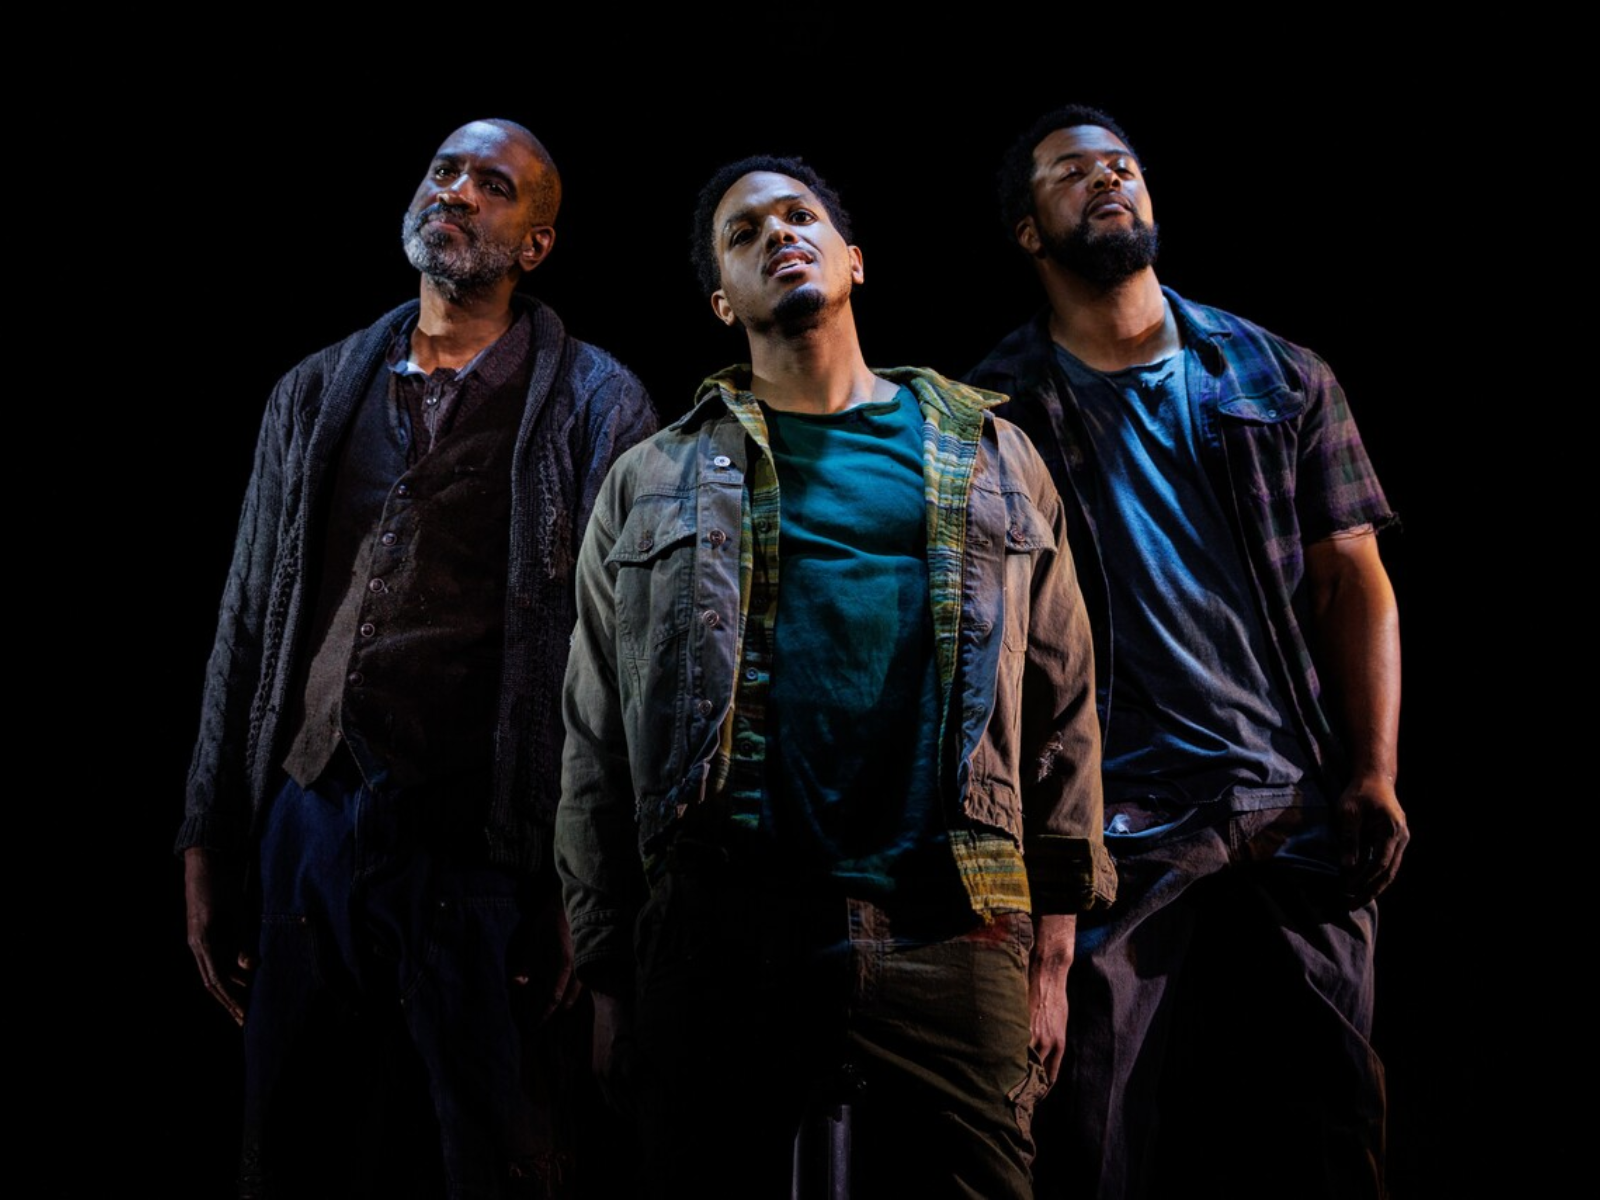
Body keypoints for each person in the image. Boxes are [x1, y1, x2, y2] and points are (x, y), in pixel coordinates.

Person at [553, 155, 1114, 1200]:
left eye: (799, 215)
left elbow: (1062, 701)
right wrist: (608, 974)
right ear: (723, 299)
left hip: (956, 921)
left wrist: (1051, 950)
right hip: (725, 930)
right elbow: (593, 736)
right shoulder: (652, 477)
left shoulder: (991, 452)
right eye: (745, 231)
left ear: (854, 261)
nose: (779, 234)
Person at [177, 118, 657, 1199]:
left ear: (535, 243)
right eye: (445, 172)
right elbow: (246, 618)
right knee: (296, 1147)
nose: (457, 193)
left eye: (494, 185)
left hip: (488, 848)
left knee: (502, 1155)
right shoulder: (314, 389)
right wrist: (209, 835)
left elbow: (628, 660)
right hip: (308, 826)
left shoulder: (597, 402)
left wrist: (594, 886)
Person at [967, 105, 1408, 1200]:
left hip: (1288, 795)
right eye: (1073, 174)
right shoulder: (997, 411)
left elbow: (1351, 577)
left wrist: (1371, 769)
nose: (1108, 180)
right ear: (1028, 230)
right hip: (1113, 818)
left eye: (1122, 166)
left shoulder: (1276, 371)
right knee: (1087, 1127)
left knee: (1330, 1117)